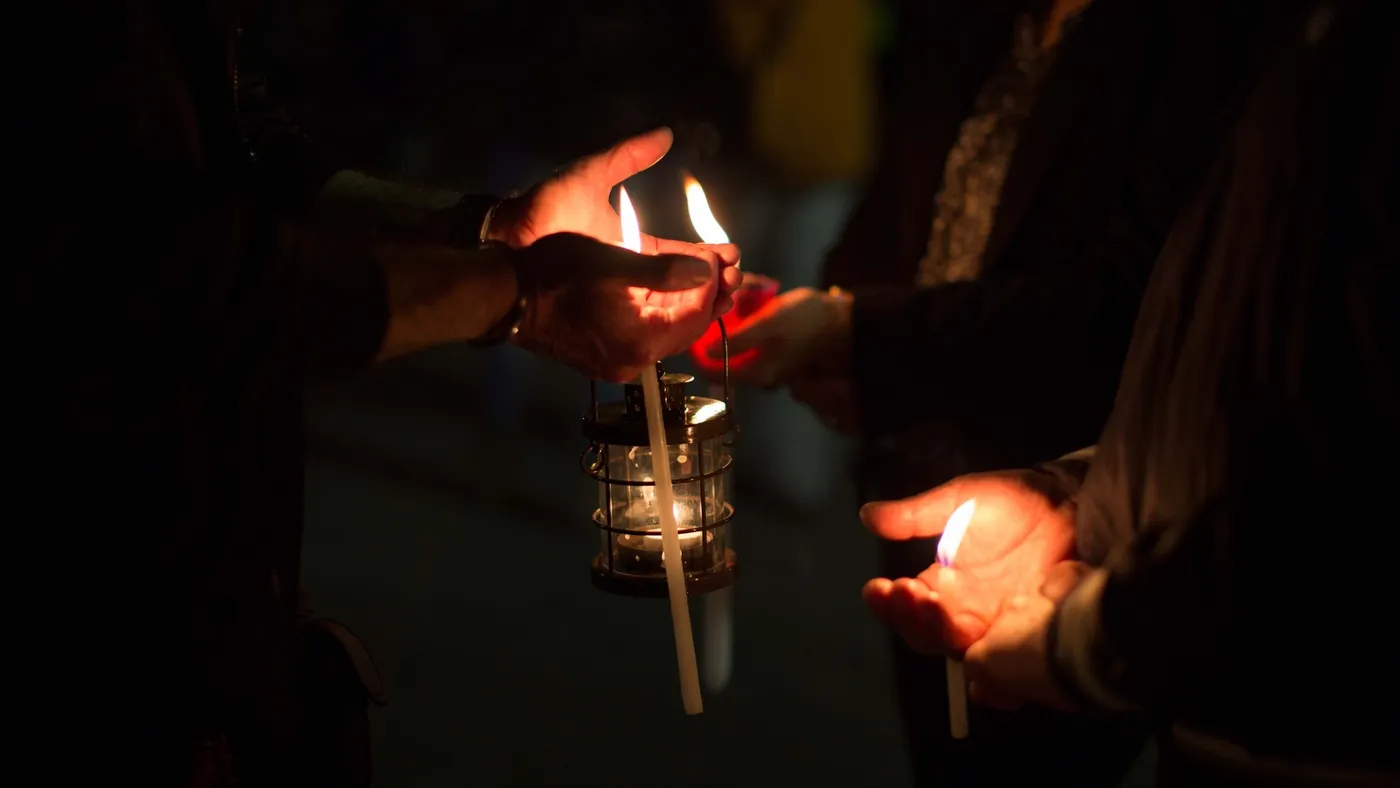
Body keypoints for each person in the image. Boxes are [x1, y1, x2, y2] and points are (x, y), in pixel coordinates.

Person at [12, 1, 739, 784]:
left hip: (222, 597)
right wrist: (519, 293)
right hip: (81, 621)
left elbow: (246, 152)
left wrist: (489, 230)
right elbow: (172, 273)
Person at [708, 0, 1292, 783]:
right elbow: (897, 193)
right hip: (925, 475)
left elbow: (1118, 302)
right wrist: (854, 348)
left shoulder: (1197, 35)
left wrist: (861, 332)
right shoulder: (968, 17)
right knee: (945, 750)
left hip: (1072, 515)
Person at [863, 0, 1398, 785]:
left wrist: (1085, 643)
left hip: (1323, 736)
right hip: (1217, 711)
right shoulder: (1299, 34)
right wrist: (1085, 502)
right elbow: (1239, 369)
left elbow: (1346, 471)